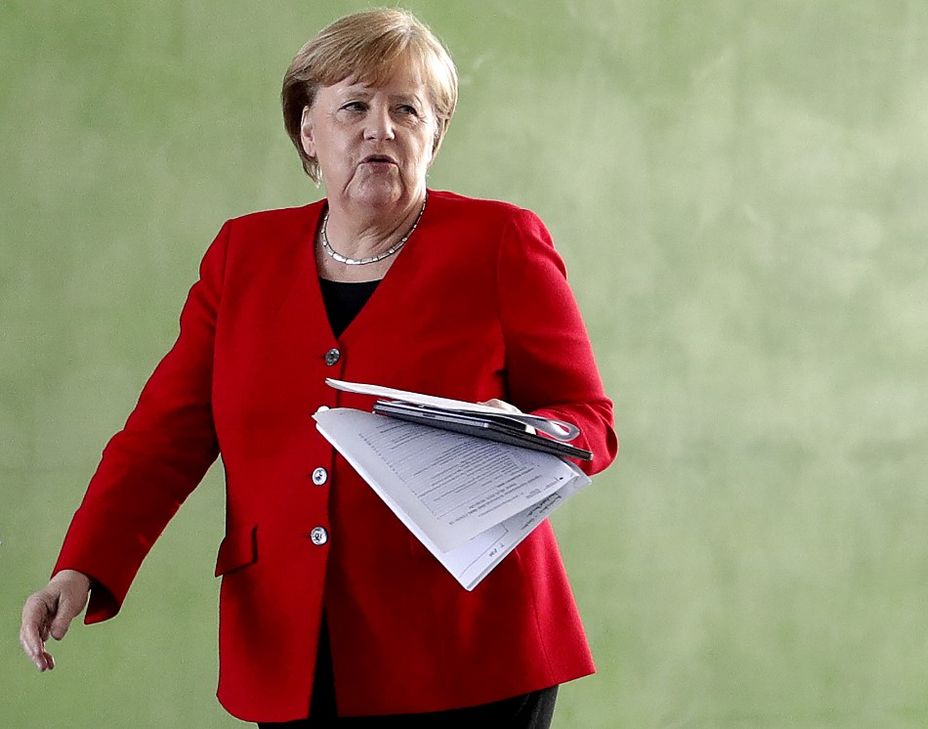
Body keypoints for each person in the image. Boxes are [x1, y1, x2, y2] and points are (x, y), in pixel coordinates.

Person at [19, 8, 617, 727]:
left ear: (437, 132)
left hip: (469, 647)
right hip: (291, 642)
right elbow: (162, 438)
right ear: (308, 130)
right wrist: (81, 565)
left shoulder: (500, 242)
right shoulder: (242, 257)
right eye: (355, 106)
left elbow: (589, 421)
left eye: (407, 109)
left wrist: (524, 431)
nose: (381, 128)